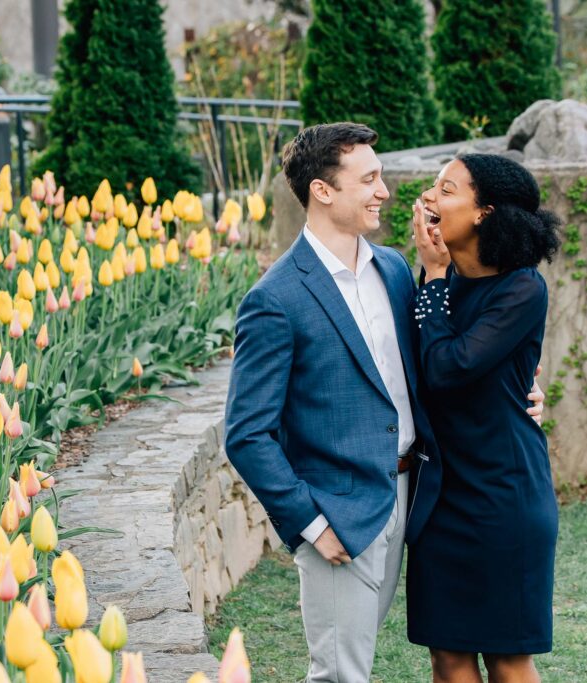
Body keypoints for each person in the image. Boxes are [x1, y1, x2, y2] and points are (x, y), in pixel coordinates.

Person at [224, 124, 544, 682]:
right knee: (342, 676)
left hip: (416, 498)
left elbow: (432, 369)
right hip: (339, 512)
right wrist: (310, 522)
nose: (385, 192)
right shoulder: (275, 299)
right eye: (369, 179)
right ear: (324, 191)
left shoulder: (395, 270)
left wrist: (519, 392)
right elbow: (247, 434)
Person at [406, 154, 561, 683]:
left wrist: (432, 275)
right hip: (440, 500)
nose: (429, 198)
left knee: (507, 656)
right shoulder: (426, 286)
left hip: (504, 496)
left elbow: (450, 367)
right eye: (432, 187)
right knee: (446, 654)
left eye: (446, 189)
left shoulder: (521, 288)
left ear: (483, 212)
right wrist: (431, 279)